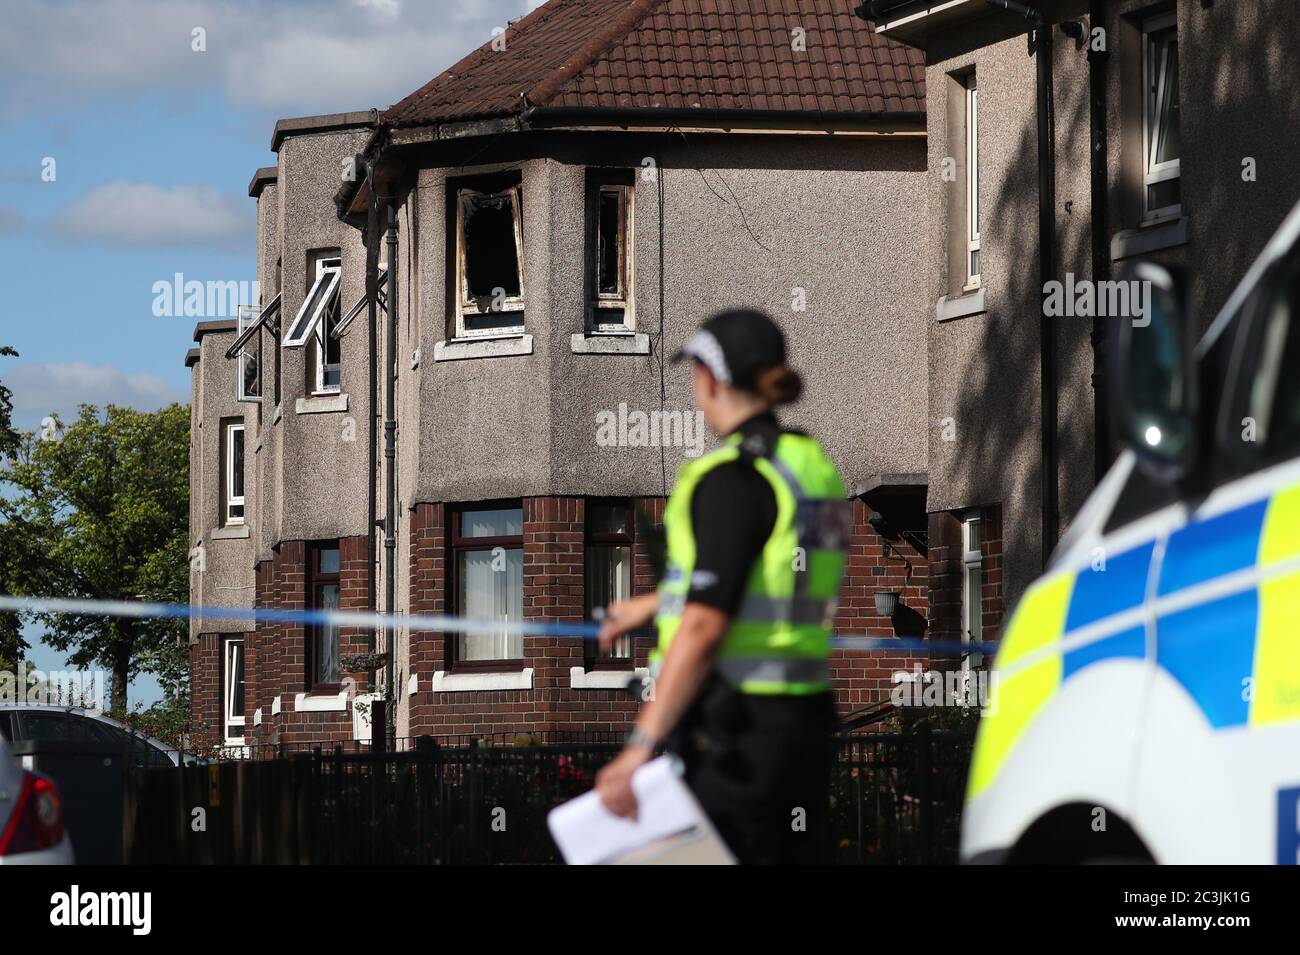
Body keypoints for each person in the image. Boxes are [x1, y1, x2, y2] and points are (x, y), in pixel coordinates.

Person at [594, 308, 851, 865]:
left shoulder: (732, 479)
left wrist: (639, 748)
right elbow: (769, 584)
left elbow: (708, 625)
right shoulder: (811, 469)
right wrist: (656, 603)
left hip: (734, 735)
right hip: (800, 726)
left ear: (710, 379)